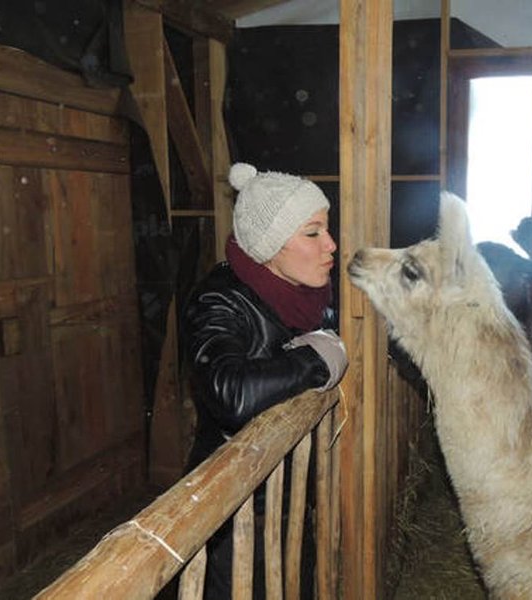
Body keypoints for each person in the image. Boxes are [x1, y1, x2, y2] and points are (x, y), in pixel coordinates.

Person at [181, 162, 348, 599]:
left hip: (292, 504)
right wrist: (314, 362)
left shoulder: (312, 297)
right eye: (312, 233)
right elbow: (229, 394)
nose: (331, 244)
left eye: (326, 229)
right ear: (271, 246)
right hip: (230, 514)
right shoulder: (220, 299)